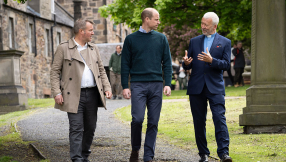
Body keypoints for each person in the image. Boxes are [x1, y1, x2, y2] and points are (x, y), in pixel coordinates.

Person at [50, 19, 112, 162]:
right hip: (73, 95)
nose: (93, 32)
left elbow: (101, 70)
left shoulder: (93, 48)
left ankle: (84, 155)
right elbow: (54, 72)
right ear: (81, 31)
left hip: (92, 94)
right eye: (90, 30)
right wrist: (57, 92)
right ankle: (77, 158)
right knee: (76, 128)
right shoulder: (63, 48)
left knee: (90, 127)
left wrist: (107, 87)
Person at [121, 8, 172, 162]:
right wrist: (125, 86)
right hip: (138, 84)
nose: (159, 22)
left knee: (153, 122)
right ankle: (135, 149)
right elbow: (125, 64)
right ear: (147, 19)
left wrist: (167, 83)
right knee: (137, 119)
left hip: (156, 84)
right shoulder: (130, 39)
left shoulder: (161, 38)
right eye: (156, 19)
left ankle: (148, 156)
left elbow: (167, 63)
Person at [183, 12, 232, 162]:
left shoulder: (225, 42)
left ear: (214, 26)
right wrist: (186, 63)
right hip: (196, 87)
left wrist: (212, 60)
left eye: (206, 25)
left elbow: (226, 65)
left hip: (215, 87)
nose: (202, 27)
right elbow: (189, 63)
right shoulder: (194, 41)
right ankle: (203, 154)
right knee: (199, 121)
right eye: (202, 23)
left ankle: (223, 153)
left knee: (219, 118)